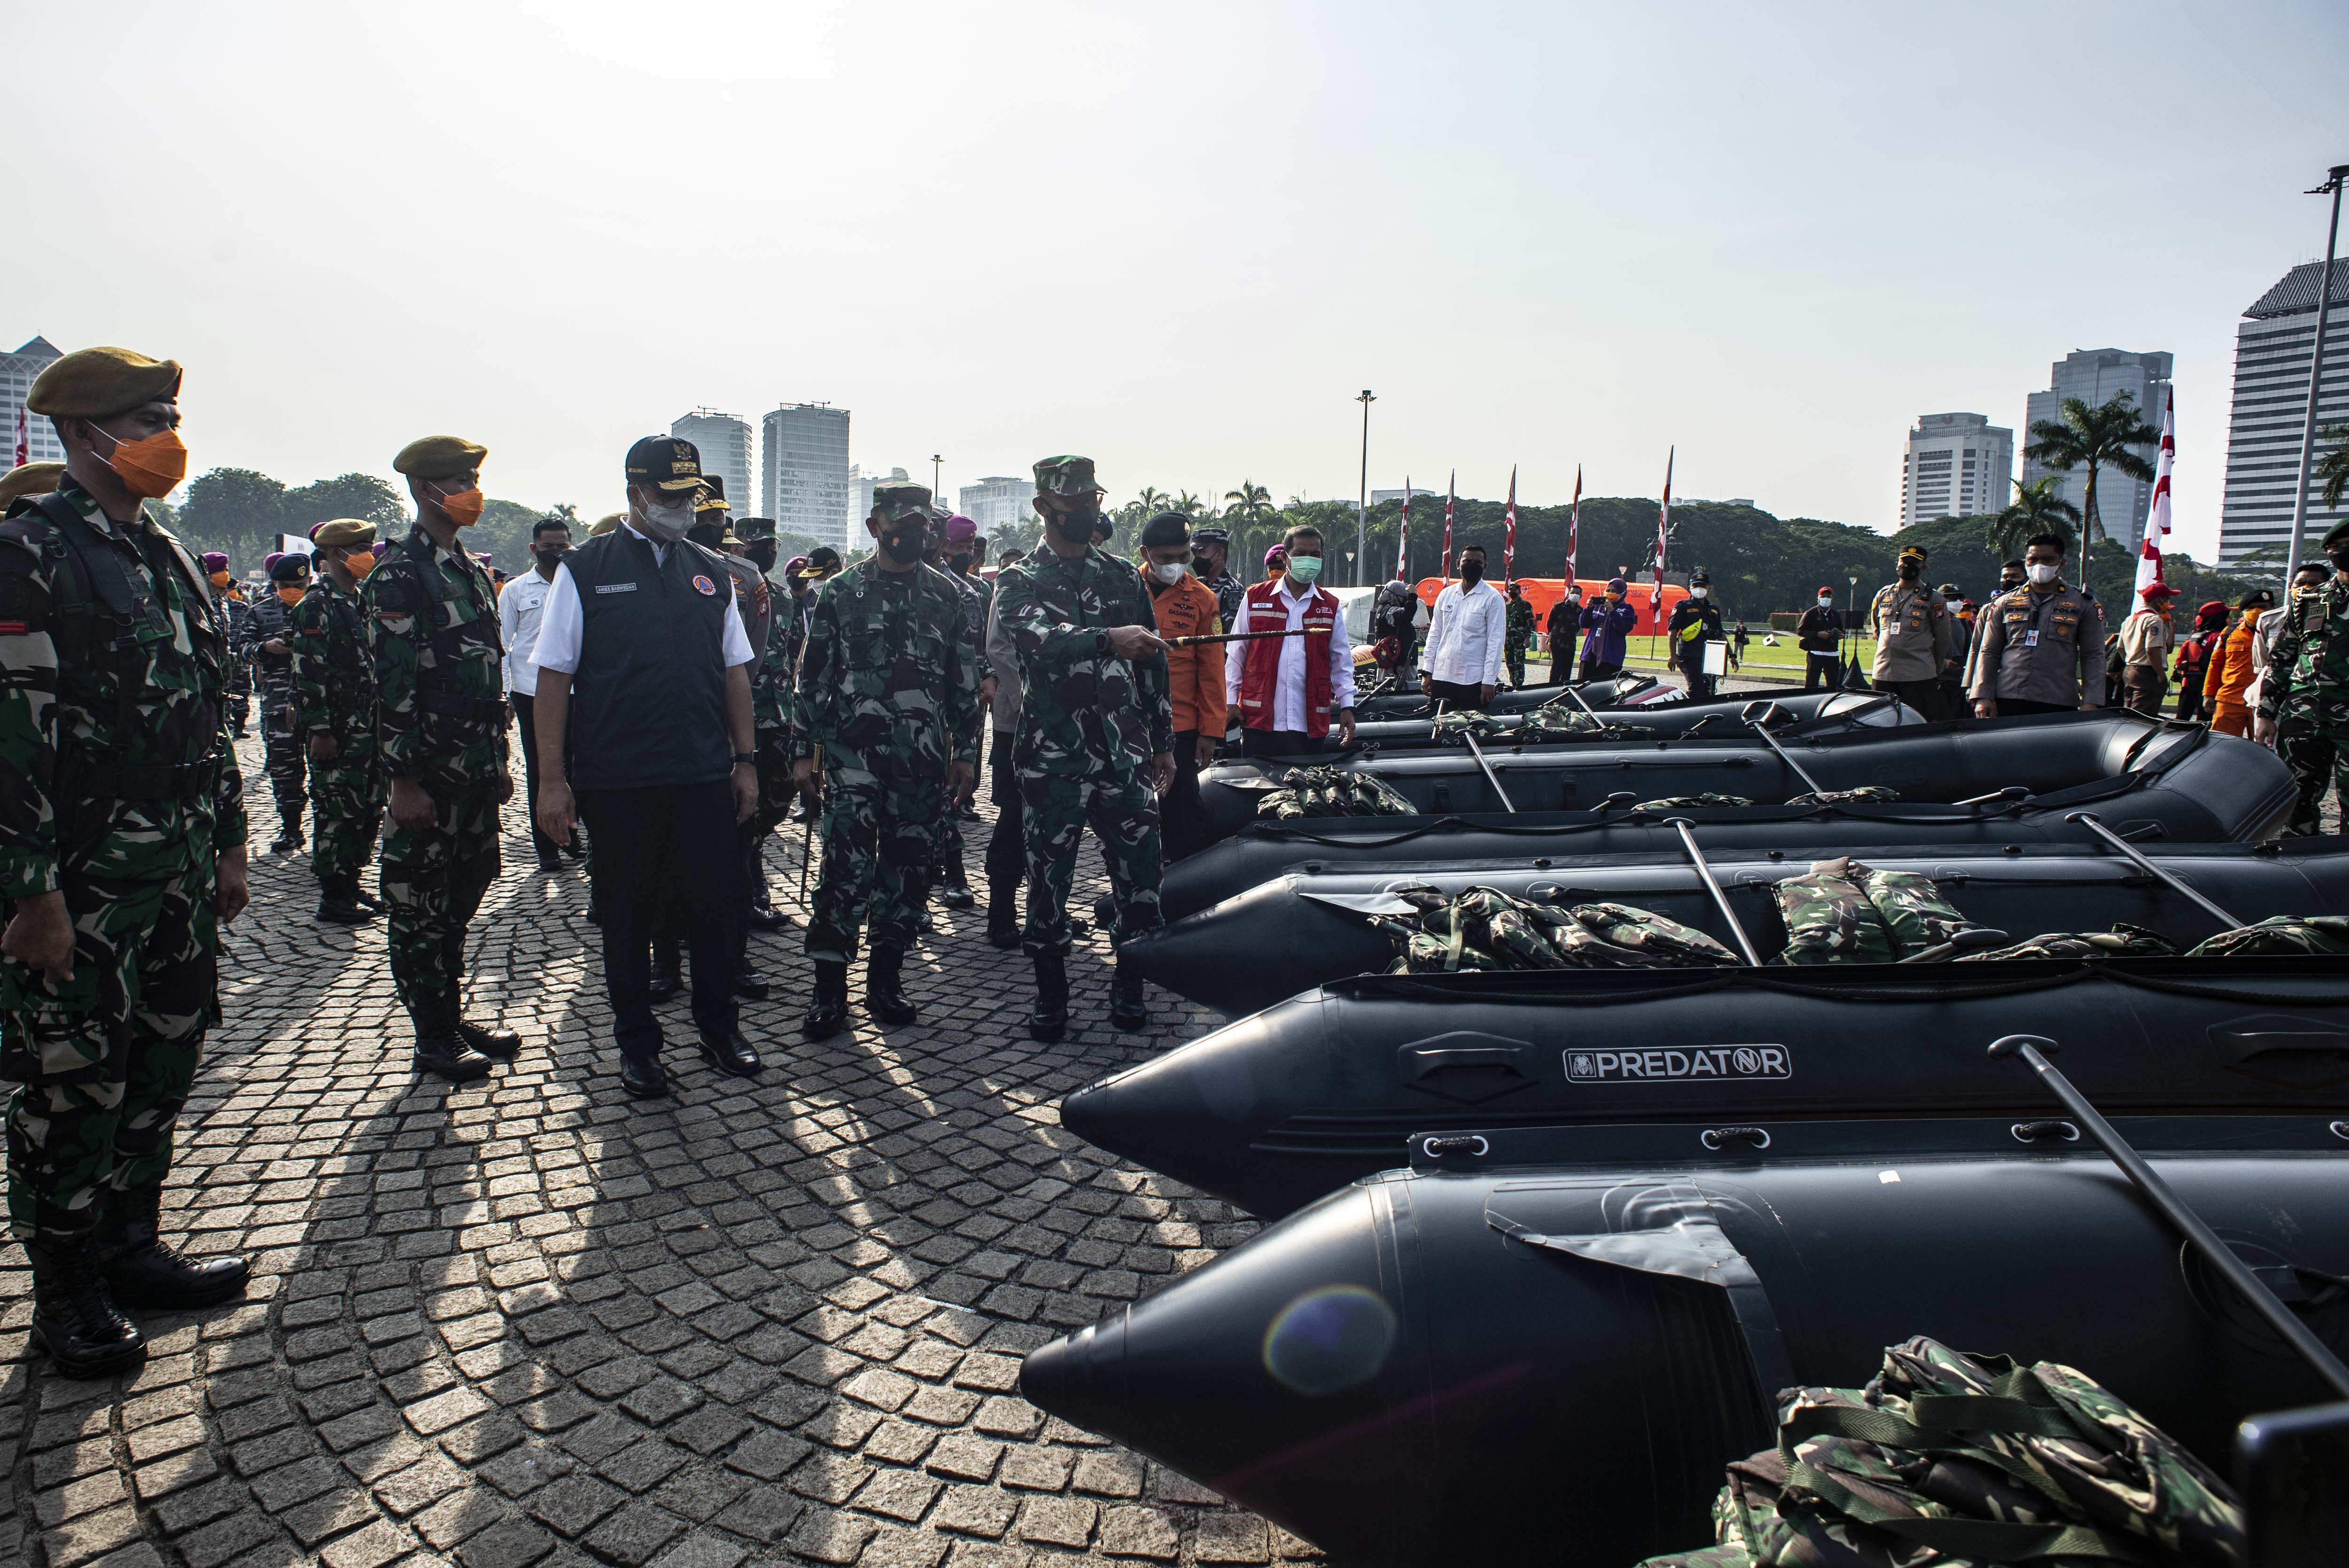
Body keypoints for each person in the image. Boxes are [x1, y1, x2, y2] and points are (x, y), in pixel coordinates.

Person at [0, 346, 254, 1375]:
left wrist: (231, 842)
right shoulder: (29, 549)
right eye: (148, 414)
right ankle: (64, 1289)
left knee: (163, 1053)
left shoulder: (163, 549)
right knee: (71, 1080)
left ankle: (131, 1243)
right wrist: (30, 892)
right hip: (84, 875)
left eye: (172, 411)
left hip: (180, 864)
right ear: (81, 431)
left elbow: (208, 710)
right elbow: (12, 733)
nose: (169, 433)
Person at [531, 435, 760, 1096]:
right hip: (619, 776)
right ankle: (638, 1045)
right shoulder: (585, 568)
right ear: (634, 495)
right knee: (627, 917)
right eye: (669, 497)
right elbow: (553, 679)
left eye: (690, 496)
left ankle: (720, 1029)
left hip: (700, 773)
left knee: (717, 912)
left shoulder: (710, 570)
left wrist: (744, 761)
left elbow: (734, 672)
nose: (683, 509)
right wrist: (552, 779)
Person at [993, 456, 1174, 1040]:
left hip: (1124, 752)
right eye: (1075, 506)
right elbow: (1037, 643)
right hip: (1053, 758)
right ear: (1045, 508)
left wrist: (1163, 742)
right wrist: (1106, 639)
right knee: (1047, 880)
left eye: (1094, 502)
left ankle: (1130, 982)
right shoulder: (1019, 580)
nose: (1090, 513)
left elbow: (1151, 663)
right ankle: (1051, 993)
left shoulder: (1122, 576)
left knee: (1139, 876)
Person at [792, 481, 980, 1039]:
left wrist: (966, 754)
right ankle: (829, 990)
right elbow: (812, 676)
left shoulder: (948, 596)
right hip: (852, 755)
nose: (914, 533)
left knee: (907, 867)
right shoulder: (840, 592)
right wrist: (803, 753)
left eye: (924, 525)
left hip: (920, 758)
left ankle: (885, 981)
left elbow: (963, 682)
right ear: (875, 525)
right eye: (902, 523)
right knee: (843, 866)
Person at [366, 435, 521, 1083]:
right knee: (420, 906)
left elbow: (485, 674)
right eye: (458, 480)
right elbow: (392, 687)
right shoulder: (400, 575)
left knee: (463, 894)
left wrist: (499, 759)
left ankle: (450, 1013)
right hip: (428, 775)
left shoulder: (467, 569)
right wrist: (403, 781)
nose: (470, 490)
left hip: (475, 769)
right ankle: (432, 1034)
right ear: (425, 489)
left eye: (473, 478)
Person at [291, 519, 388, 925]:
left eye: (369, 545)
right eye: (359, 546)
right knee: (336, 811)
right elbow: (308, 673)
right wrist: (320, 730)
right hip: (338, 730)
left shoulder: (360, 599)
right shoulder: (316, 604)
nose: (368, 553)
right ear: (333, 555)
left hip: (368, 727)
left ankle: (351, 882)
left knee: (368, 809)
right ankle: (333, 895)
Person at [1226, 523, 1358, 757]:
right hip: (1259, 720)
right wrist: (1229, 701)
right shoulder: (1255, 597)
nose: (1308, 560)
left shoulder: (1330, 605)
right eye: (1300, 554)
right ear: (1284, 557)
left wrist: (1347, 706)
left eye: (1315, 555)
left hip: (1309, 722)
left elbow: (1341, 660)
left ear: (1322, 557)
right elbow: (1237, 654)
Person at [1139, 513, 1223, 860]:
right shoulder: (1123, 589)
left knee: (1182, 812)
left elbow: (1212, 668)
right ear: (1146, 554)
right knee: (1131, 818)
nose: (1176, 565)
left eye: (1183, 556)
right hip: (1127, 724)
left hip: (1181, 727)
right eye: (1166, 558)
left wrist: (1211, 731)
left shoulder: (1203, 599)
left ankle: (1186, 887)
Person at [2256, 522, 2349, 833]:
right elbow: (2282, 659)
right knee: (2295, 800)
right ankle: (2298, 862)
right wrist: (2266, 713)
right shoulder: (2309, 602)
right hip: (2303, 717)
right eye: (2340, 546)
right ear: (2330, 553)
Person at [501, 515, 573, 871]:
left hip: (575, 691)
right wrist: (504, 696)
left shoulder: (578, 585)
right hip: (530, 691)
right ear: (534, 549)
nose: (557, 553)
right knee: (542, 768)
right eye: (549, 547)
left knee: (576, 767)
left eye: (563, 546)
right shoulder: (516, 589)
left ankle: (572, 837)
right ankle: (547, 848)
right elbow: (503, 645)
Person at [1968, 532, 2106, 718]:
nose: (2039, 565)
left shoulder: (2083, 603)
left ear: (2061, 563)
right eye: (2033, 560)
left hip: (2058, 699)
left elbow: (2093, 655)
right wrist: (1982, 696)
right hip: (2008, 696)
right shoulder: (2005, 602)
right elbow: (1988, 651)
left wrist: (2091, 701)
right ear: (2026, 562)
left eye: (2048, 560)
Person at [928, 512, 991, 908]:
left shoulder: (966, 592)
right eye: (957, 546)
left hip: (948, 709)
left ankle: (953, 871)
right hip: (890, 717)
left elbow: (975, 652)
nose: (962, 554)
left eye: (968, 548)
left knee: (945, 793)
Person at [249, 549, 312, 852]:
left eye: (297, 587)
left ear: (309, 580)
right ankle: (291, 828)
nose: (291, 592)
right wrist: (264, 648)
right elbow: (241, 648)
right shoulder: (261, 612)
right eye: (283, 586)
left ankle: (329, 835)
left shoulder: (322, 607)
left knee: (328, 772)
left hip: (319, 704)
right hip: (278, 704)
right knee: (284, 769)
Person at [1867, 546, 1951, 717]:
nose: (1908, 565)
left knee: (1917, 726)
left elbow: (1942, 638)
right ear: (1897, 564)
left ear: (1924, 567)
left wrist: (1935, 666)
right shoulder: (1883, 595)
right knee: (1881, 724)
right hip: (1884, 674)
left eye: (1915, 562)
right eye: (1905, 561)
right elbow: (1877, 630)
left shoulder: (1934, 598)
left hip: (1918, 675)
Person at [1421, 544, 1507, 708]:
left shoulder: (1493, 599)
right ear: (1458, 564)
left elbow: (1495, 643)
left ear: (1485, 567)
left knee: (1470, 729)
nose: (1472, 565)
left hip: (1473, 680)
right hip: (1443, 676)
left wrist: (1489, 681)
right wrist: (1427, 672)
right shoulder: (1446, 595)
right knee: (1440, 728)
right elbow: (1434, 636)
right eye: (1468, 561)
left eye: (1478, 562)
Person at [198, 550, 256, 738]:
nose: (226, 575)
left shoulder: (222, 601)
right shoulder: (198, 601)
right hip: (206, 664)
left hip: (225, 663)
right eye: (222, 570)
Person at [2206, 589, 2274, 736]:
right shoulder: (2230, 632)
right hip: (2230, 699)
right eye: (2250, 608)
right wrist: (2208, 694)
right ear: (2243, 611)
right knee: (2221, 745)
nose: (2256, 611)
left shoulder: (2280, 632)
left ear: (2272, 610)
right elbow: (2215, 664)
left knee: (2261, 749)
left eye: (2262, 607)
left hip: (2264, 701)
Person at [1667, 568, 1729, 699]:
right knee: (1696, 688)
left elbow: (1721, 634)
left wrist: (1732, 655)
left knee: (1709, 690)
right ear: (1690, 587)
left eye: (1702, 585)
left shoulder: (1713, 609)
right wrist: (1673, 656)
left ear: (1709, 588)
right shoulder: (1683, 606)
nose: (1699, 588)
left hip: (1710, 656)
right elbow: (1672, 631)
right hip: (1689, 654)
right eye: (1695, 585)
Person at [2117, 583, 2178, 715]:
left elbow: (2121, 648)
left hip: (2130, 670)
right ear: (2158, 599)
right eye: (2167, 598)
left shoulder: (2129, 620)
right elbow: (2152, 650)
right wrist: (2161, 674)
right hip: (2148, 673)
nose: (2168, 602)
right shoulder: (2154, 620)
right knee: (2143, 717)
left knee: (2129, 713)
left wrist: (2131, 662)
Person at [2172, 600, 2227, 724]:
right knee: (2205, 722)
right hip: (2207, 684)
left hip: (2188, 683)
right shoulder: (2219, 637)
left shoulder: (2192, 639)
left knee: (2180, 720)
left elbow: (2179, 665)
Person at [1579, 577, 1638, 683]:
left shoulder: (1627, 609)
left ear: (1622, 593)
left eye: (1614, 591)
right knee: (1584, 687)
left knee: (1603, 687)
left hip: (1610, 656)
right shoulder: (1598, 606)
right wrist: (1589, 609)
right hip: (1590, 654)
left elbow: (1624, 628)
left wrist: (1612, 611)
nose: (1610, 593)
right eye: (1609, 590)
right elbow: (1584, 624)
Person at [1191, 525, 1245, 632]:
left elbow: (1231, 636)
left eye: (1201, 552)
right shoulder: (1198, 585)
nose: (1196, 559)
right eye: (1195, 554)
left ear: (1220, 554)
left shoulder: (1232, 590)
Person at [1796, 586, 1843, 692]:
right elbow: (1801, 631)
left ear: (1832, 599)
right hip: (1815, 653)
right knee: (1811, 684)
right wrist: (1817, 634)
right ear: (1818, 598)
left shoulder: (1835, 615)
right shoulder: (1811, 613)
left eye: (1828, 596)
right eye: (1823, 596)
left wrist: (1840, 635)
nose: (1826, 599)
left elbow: (1841, 631)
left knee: (1834, 686)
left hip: (1832, 654)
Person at [1935, 583, 1969, 718]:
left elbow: (1970, 651)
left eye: (1960, 599)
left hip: (1958, 684)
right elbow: (1920, 651)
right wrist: (1943, 663)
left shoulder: (1962, 623)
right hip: (1938, 682)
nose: (1957, 602)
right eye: (1952, 599)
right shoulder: (1930, 623)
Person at [1544, 586, 1580, 683]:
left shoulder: (1580, 610)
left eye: (1577, 593)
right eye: (1573, 592)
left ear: (1581, 596)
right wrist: (1552, 635)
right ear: (1569, 594)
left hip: (1570, 642)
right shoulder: (1559, 607)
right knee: (1557, 665)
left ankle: (1564, 687)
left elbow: (1579, 626)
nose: (1575, 595)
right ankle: (1552, 687)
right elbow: (1550, 622)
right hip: (1557, 641)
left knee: (1568, 667)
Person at [1502, 581, 1534, 688]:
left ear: (1519, 592)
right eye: (1510, 590)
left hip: (1519, 640)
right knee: (1509, 662)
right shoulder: (1506, 606)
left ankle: (1519, 684)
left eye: (1515, 590)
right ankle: (1513, 683)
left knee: (1519, 663)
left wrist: (1527, 638)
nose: (1512, 592)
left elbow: (1530, 622)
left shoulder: (1525, 605)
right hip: (1508, 640)